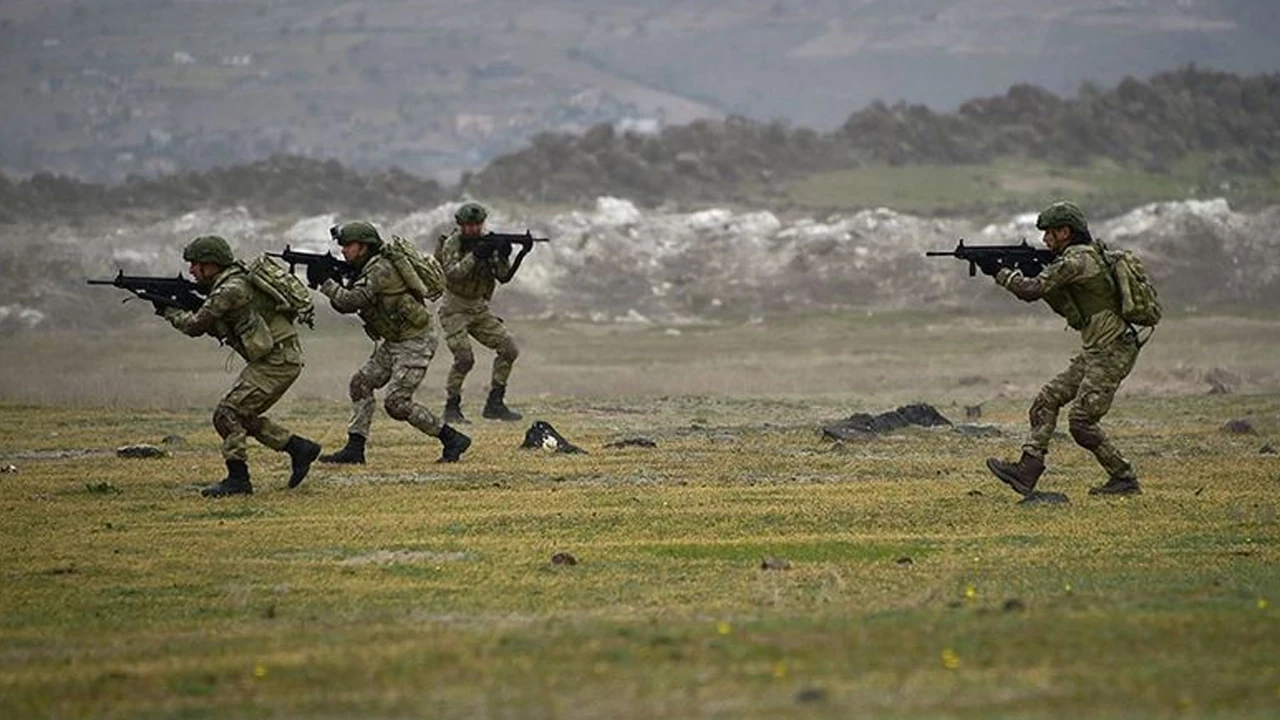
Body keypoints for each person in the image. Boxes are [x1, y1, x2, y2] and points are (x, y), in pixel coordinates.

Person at [983, 201, 1144, 497]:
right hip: (1097, 350)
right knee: (1046, 401)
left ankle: (1124, 478)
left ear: (1065, 232)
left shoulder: (1076, 261)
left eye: (1049, 234)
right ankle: (1027, 471)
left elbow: (1031, 291)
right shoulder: (1081, 256)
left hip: (1112, 351)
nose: (1045, 240)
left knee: (1081, 423)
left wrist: (999, 271)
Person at [160, 235, 321, 497]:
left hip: (277, 361)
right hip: (279, 358)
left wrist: (168, 311)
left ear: (212, 265)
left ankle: (238, 480)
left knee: (226, 414)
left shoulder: (229, 289)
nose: (191, 270)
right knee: (241, 415)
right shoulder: (234, 281)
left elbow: (195, 326)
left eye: (195, 264)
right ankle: (299, 449)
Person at [314, 221, 471, 465]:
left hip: (416, 340)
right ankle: (355, 449)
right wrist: (332, 281)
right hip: (396, 340)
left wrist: (326, 283)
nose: (343, 250)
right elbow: (347, 304)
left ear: (364, 247)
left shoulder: (380, 269)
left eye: (348, 245)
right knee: (361, 383)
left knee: (396, 403)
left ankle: (452, 438)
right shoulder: (367, 268)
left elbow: (351, 301)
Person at [435, 202, 523, 423]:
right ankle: (452, 407)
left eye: (477, 225)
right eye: (469, 225)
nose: (473, 229)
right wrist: (476, 255)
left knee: (509, 348)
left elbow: (503, 276)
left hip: (479, 308)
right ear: (461, 225)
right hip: (454, 308)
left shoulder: (487, 242)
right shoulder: (452, 244)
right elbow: (453, 274)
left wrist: (505, 255)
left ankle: (495, 403)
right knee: (464, 358)